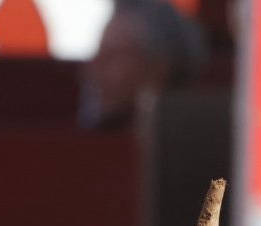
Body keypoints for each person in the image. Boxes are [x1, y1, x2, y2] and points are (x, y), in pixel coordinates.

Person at [79, 0, 206, 131]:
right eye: (98, 56)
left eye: (112, 56)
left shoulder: (193, 139)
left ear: (157, 69)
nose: (95, 70)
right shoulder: (90, 140)